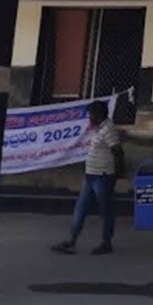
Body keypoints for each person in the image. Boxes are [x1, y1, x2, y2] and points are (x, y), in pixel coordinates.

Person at [52, 100, 124, 255]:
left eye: (91, 115)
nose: (89, 118)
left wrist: (117, 173)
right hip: (91, 175)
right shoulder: (99, 129)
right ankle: (72, 239)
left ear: (98, 116)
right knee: (81, 207)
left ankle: (106, 242)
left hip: (103, 175)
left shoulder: (108, 130)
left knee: (105, 210)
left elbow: (117, 151)